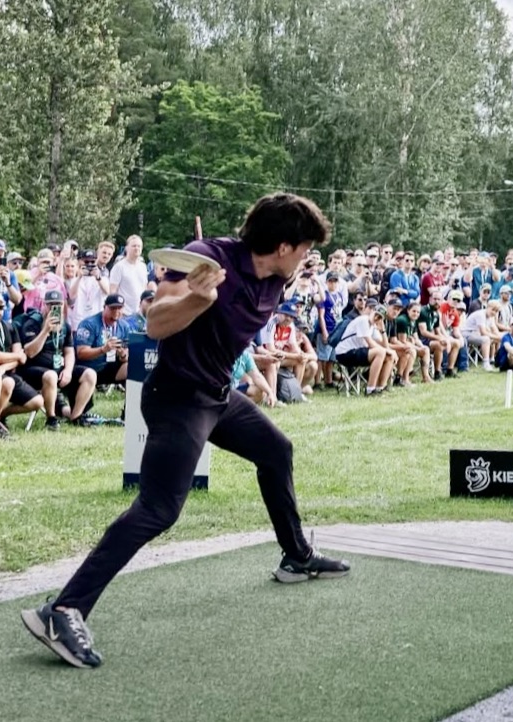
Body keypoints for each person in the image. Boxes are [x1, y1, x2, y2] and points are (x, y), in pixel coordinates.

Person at [20, 193, 350, 670]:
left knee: (276, 451)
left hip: (218, 396)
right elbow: (155, 324)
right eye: (305, 249)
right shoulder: (206, 260)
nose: (308, 258)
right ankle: (63, 610)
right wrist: (198, 298)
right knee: (158, 509)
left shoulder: (279, 278)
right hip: (177, 399)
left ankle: (297, 556)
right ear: (283, 246)